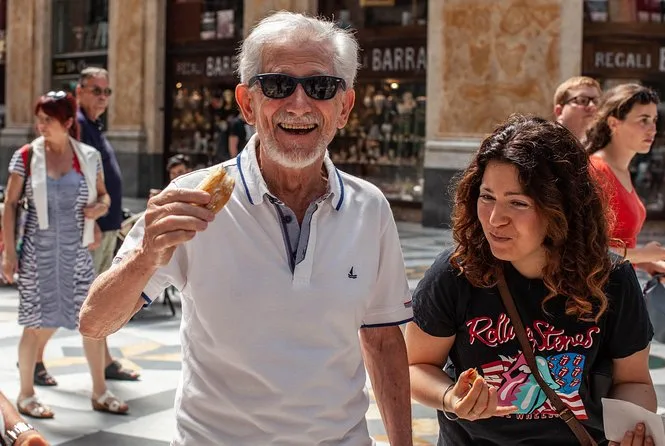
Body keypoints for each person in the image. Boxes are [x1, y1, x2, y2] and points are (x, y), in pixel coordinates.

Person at [80, 12, 413, 446]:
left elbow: (383, 340)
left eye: (320, 87)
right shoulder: (192, 199)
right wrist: (146, 258)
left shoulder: (369, 208)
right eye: (277, 85)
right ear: (247, 104)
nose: (299, 104)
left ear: (344, 107)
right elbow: (95, 323)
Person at [406, 115, 655, 445]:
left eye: (518, 203)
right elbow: (414, 365)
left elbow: (634, 381)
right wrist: (450, 397)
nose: (496, 219)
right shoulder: (456, 273)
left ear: (562, 208)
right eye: (487, 197)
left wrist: (631, 431)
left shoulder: (610, 278)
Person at [1, 91, 129, 418]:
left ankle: (100, 391)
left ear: (68, 122)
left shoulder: (88, 156)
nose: (40, 126)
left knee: (91, 320)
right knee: (35, 323)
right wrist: (8, 254)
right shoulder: (26, 156)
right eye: (39, 119)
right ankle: (26, 395)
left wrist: (99, 209)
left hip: (76, 250)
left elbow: (104, 197)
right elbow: (10, 204)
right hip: (37, 251)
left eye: (48, 120)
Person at [586, 83, 665, 276]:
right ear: (614, 123)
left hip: (619, 284)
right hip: (597, 289)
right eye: (643, 120)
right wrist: (643, 254)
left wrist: (647, 262)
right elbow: (585, 249)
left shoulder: (622, 171)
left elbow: (616, 246)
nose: (653, 129)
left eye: (654, 120)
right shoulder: (596, 170)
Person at [553, 76, 602, 143]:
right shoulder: (545, 145)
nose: (592, 106)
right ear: (559, 111)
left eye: (596, 101)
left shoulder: (606, 146)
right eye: (582, 100)